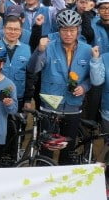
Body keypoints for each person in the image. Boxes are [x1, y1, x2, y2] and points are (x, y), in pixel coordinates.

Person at [28, 9, 91, 165]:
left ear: (78, 30)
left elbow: (91, 77)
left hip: (73, 106)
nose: (68, 34)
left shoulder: (87, 50)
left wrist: (84, 87)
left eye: (72, 30)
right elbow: (33, 68)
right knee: (46, 150)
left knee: (68, 150)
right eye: (64, 30)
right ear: (59, 30)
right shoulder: (49, 46)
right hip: (50, 106)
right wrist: (39, 50)